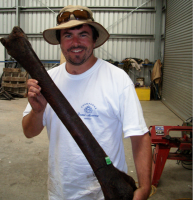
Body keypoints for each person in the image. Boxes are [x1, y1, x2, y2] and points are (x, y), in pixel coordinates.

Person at [22, 5, 152, 200]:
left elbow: (139, 136)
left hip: (109, 193)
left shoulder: (117, 79)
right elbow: (28, 132)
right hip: (61, 191)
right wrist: (37, 111)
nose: (75, 42)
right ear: (60, 42)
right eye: (67, 35)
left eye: (83, 34)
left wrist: (144, 187)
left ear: (95, 40)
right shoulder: (46, 82)